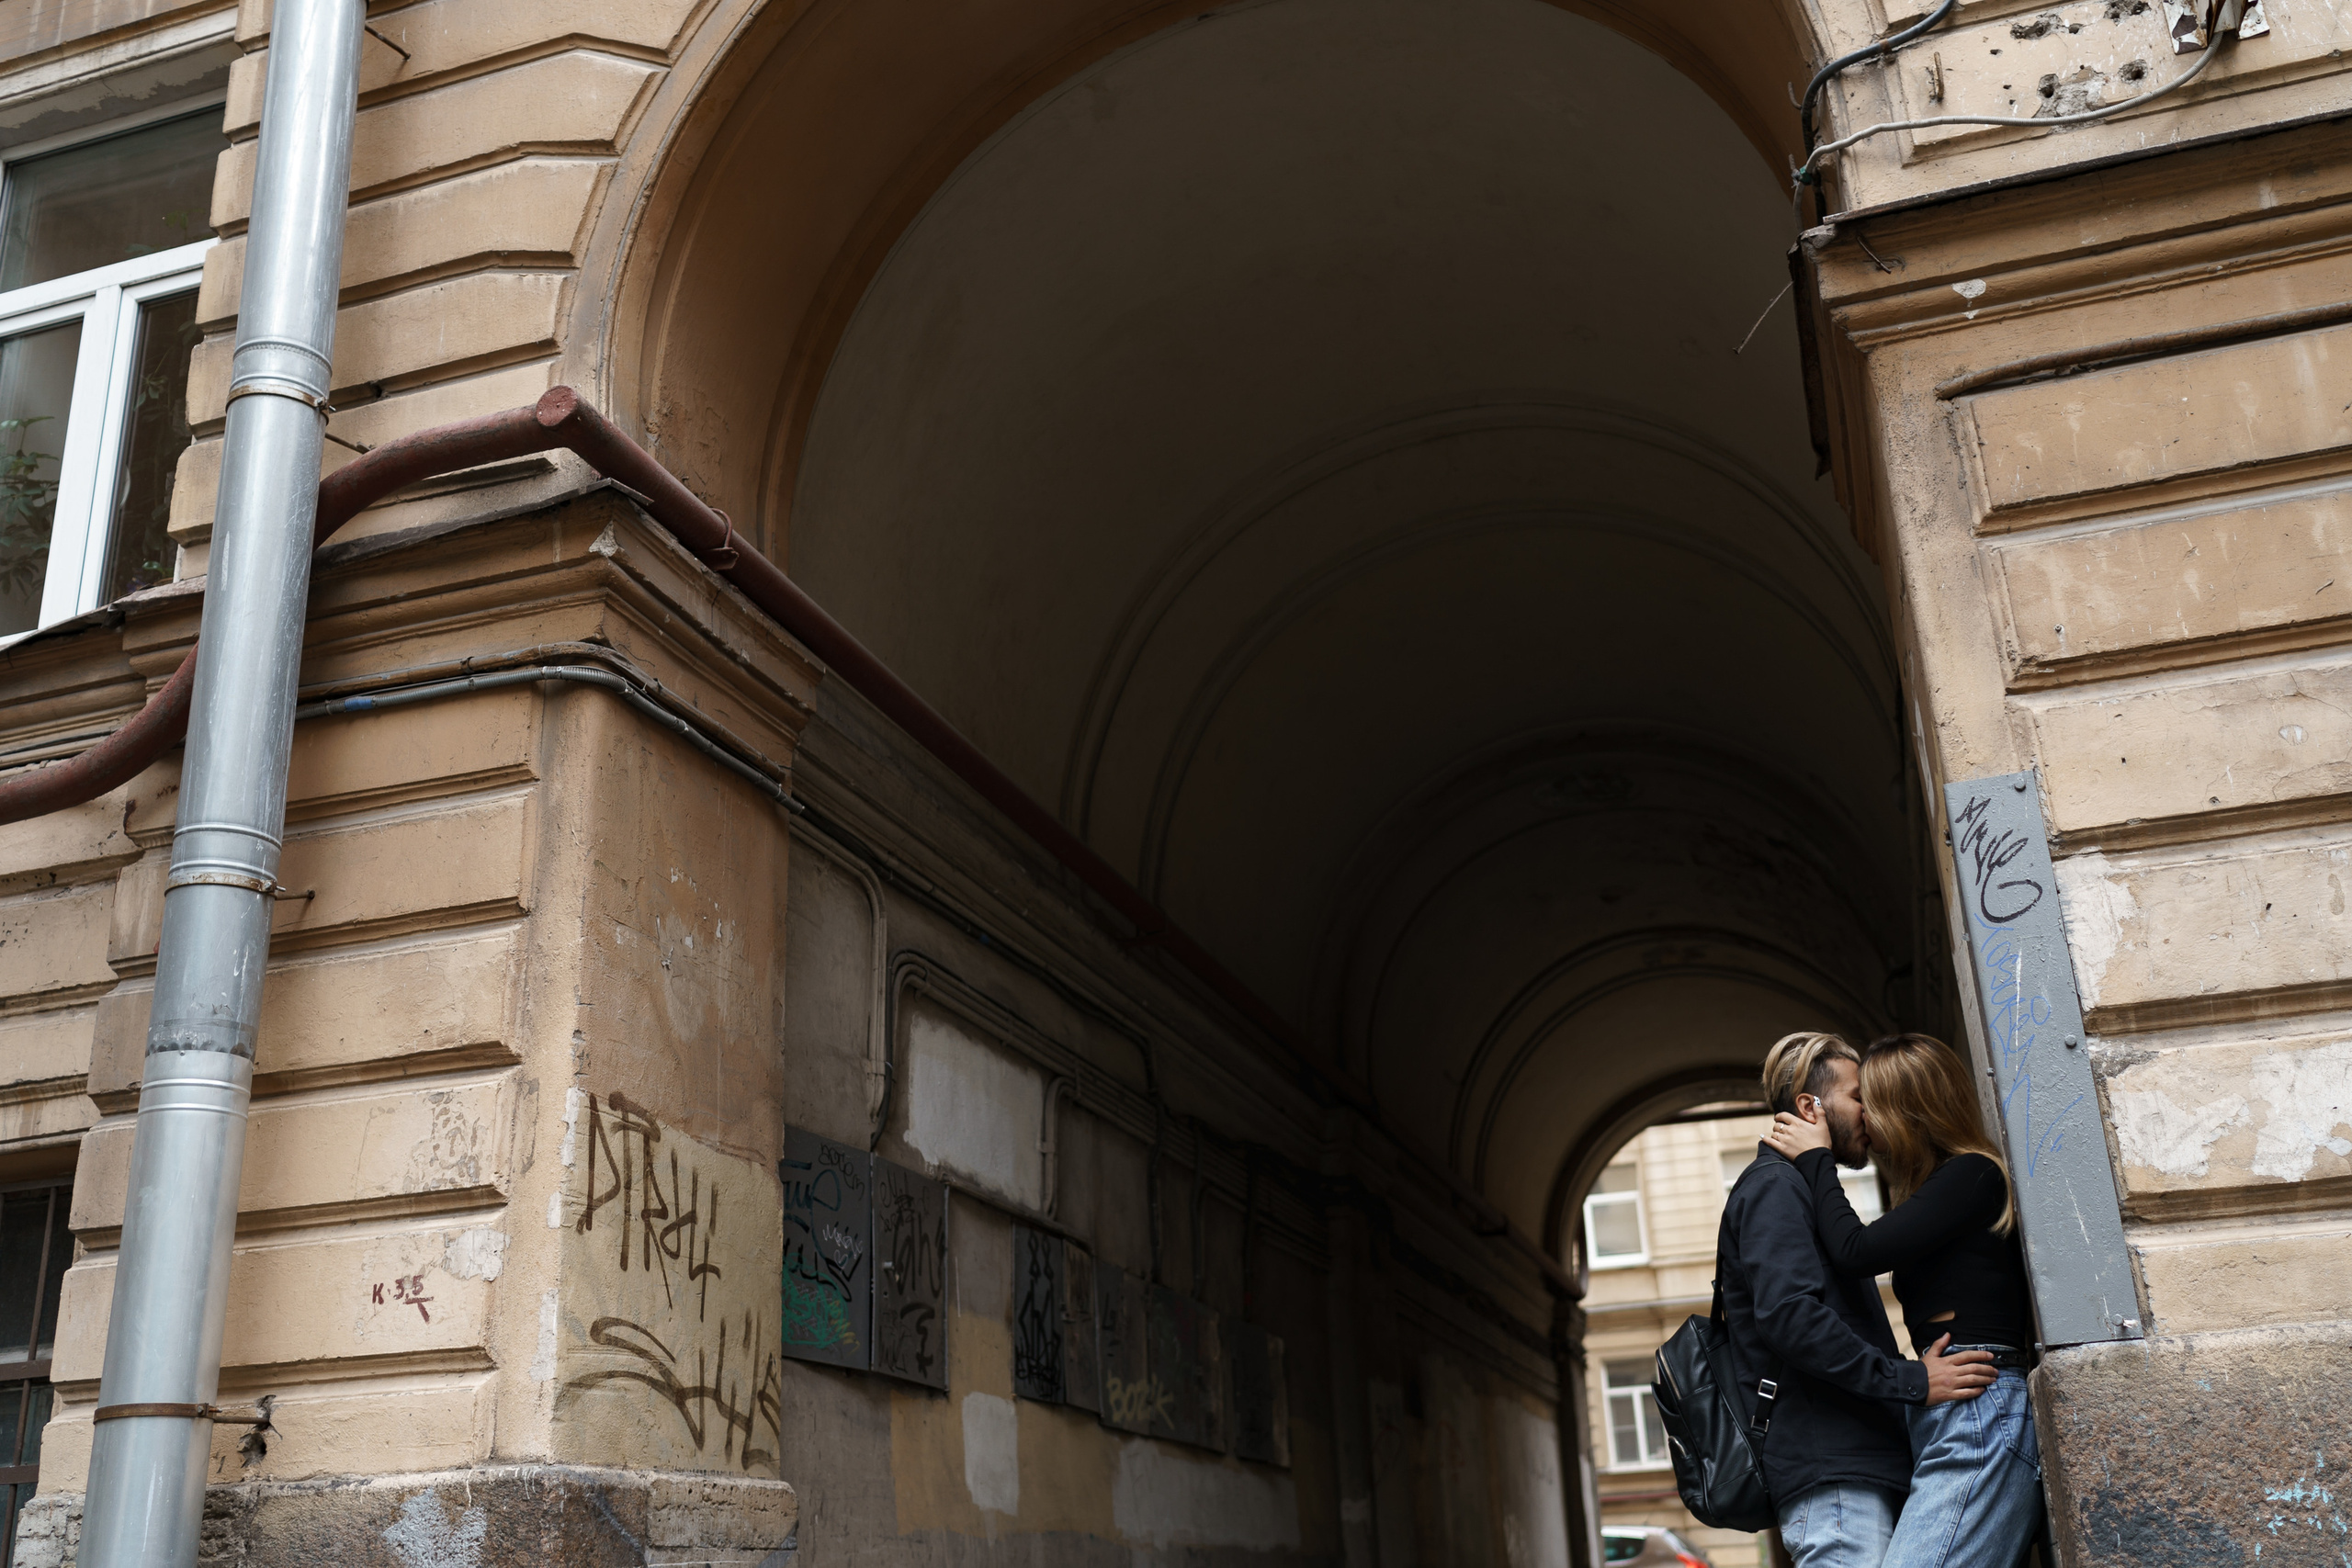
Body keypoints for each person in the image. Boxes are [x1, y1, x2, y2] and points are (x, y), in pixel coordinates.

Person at [1722, 1032, 1997, 1568]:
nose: (1873, 1115)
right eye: (1858, 1097)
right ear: (1811, 1107)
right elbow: (1791, 1319)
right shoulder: (1775, 1187)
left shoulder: (1801, 1187)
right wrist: (1912, 1382)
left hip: (1855, 1471)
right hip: (1835, 1480)